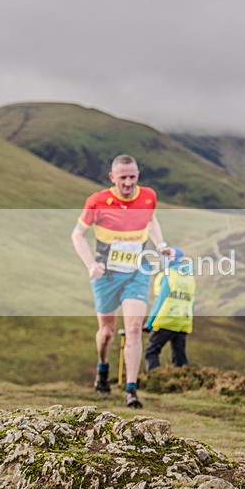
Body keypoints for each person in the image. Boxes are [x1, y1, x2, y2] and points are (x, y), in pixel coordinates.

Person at [71, 154, 172, 409]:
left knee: (135, 327)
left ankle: (131, 390)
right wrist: (91, 265)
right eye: (123, 177)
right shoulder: (97, 201)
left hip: (137, 271)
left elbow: (151, 219)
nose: (128, 182)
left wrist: (160, 244)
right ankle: (102, 369)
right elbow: (78, 235)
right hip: (106, 275)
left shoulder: (148, 196)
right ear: (112, 178)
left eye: (132, 177)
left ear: (138, 175)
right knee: (106, 333)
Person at [143, 246, 196, 372]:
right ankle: (183, 382)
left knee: (151, 351)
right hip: (183, 322)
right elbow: (192, 303)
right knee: (179, 356)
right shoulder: (190, 278)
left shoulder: (168, 276)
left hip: (166, 320)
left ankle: (155, 379)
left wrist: (149, 323)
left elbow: (160, 300)